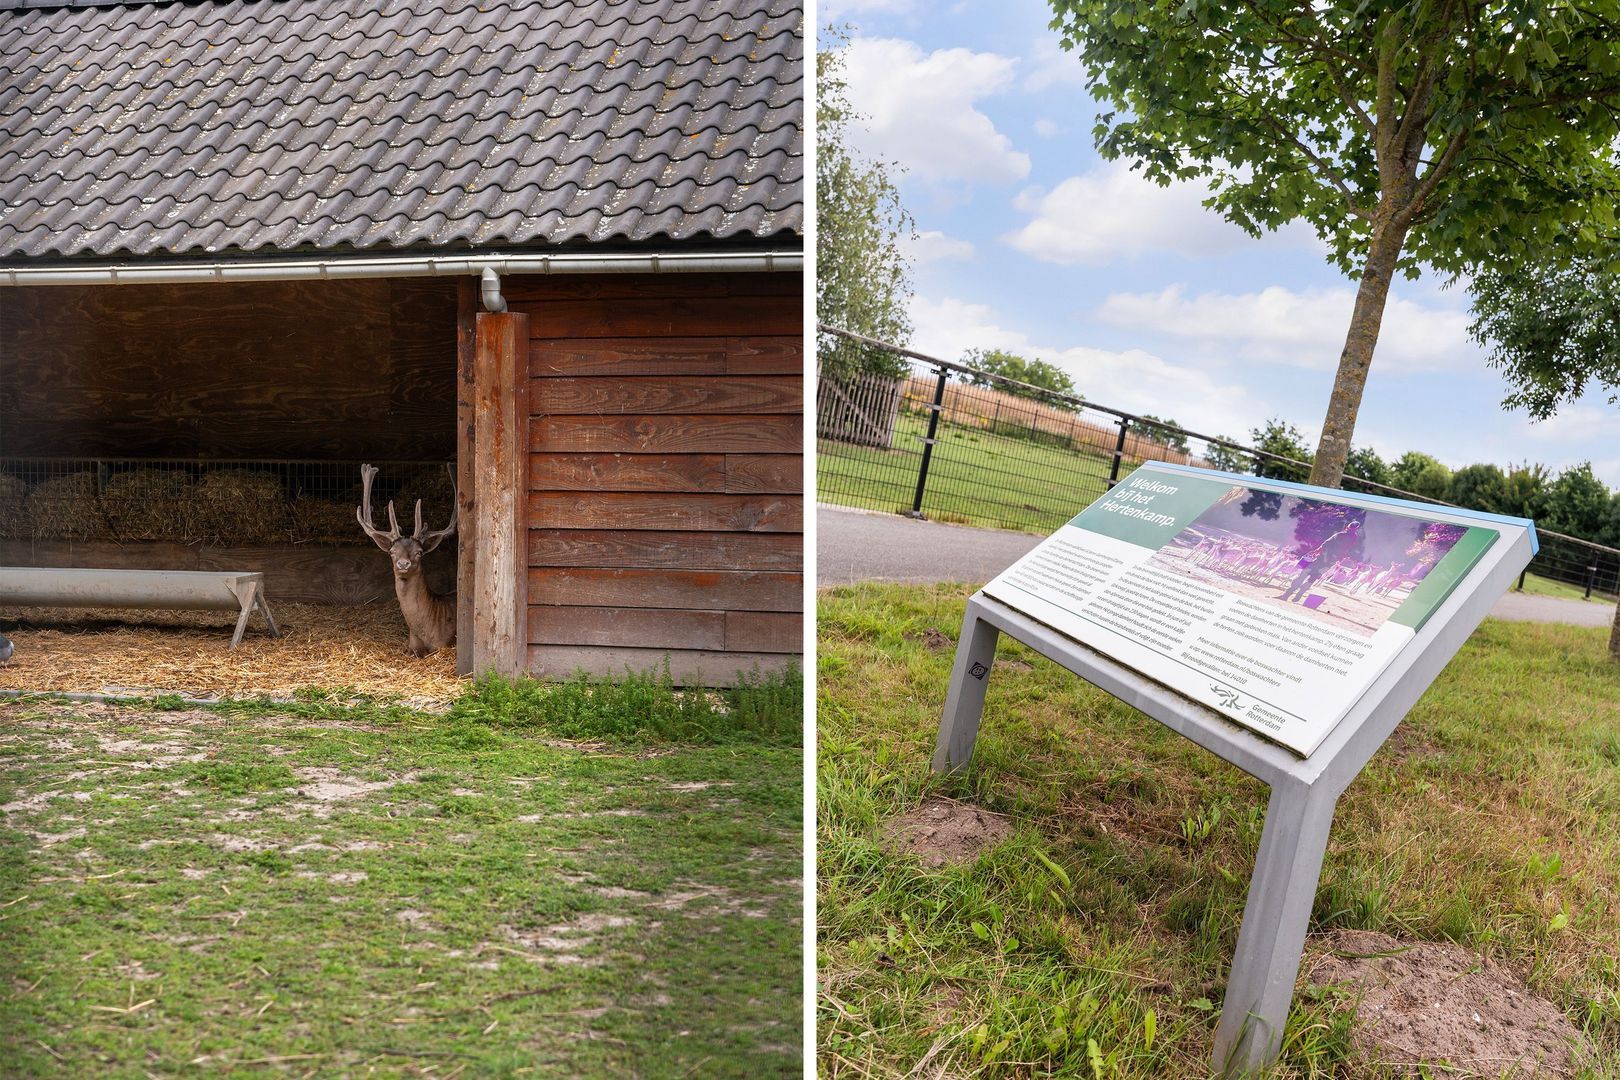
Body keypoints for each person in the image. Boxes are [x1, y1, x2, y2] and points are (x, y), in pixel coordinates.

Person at [1280, 519, 1365, 604]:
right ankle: (1299, 594)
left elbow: (1326, 543)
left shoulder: (1340, 535)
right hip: (1330, 562)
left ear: (1348, 527)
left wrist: (1316, 551)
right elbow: (1346, 551)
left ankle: (1286, 595)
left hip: (1322, 558)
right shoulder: (1353, 539)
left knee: (1303, 574)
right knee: (1312, 578)